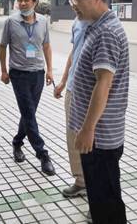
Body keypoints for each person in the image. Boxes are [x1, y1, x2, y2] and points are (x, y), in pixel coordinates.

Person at [68, 0, 129, 224]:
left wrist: (88, 129)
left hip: (100, 137)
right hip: (97, 135)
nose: (73, 4)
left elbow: (103, 84)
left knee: (106, 201)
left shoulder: (106, 33)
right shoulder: (95, 27)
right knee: (100, 196)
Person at [0, 0, 55, 176]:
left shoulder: (43, 21)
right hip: (18, 74)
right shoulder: (11, 22)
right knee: (29, 113)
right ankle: (42, 154)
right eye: (20, 0)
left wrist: (50, 70)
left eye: (26, 0)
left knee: (28, 113)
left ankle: (17, 142)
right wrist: (4, 71)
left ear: (35, 2)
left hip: (38, 73)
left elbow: (46, 46)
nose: (22, 3)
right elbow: (3, 46)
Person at [53, 15, 88, 197]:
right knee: (73, 136)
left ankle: (96, 189)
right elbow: (74, 51)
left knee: (94, 141)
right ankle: (81, 181)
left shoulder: (103, 23)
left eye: (77, 0)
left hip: (90, 91)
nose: (73, 3)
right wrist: (63, 81)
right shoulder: (77, 21)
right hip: (73, 89)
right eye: (72, 0)